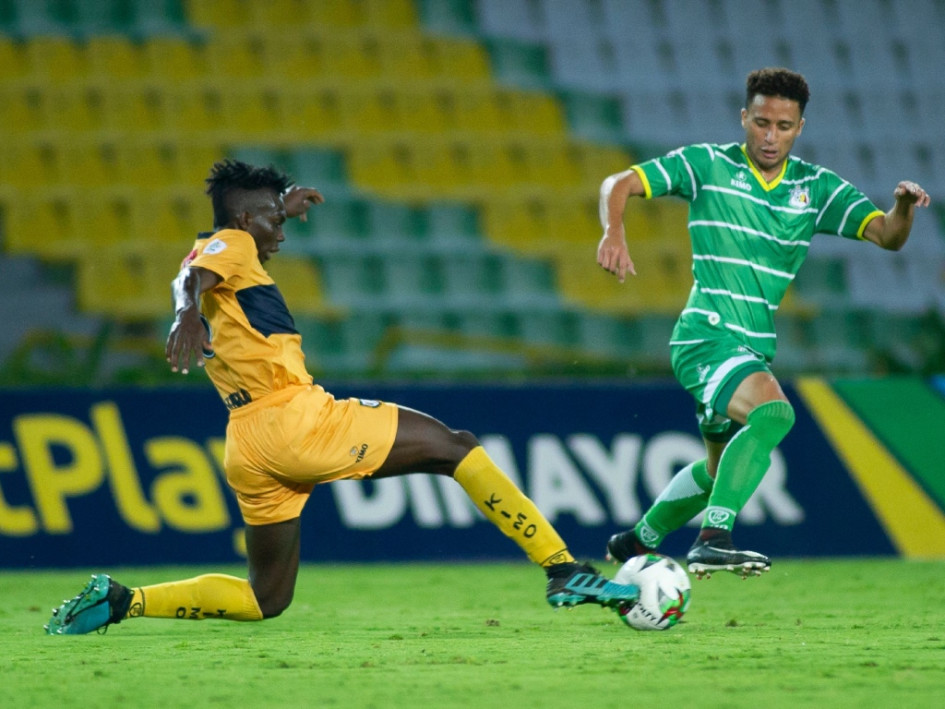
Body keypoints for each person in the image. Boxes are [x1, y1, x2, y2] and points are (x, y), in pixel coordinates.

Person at [45, 159, 639, 635]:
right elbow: (192, 280)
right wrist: (184, 313)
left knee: (264, 598)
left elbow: (199, 269)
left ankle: (124, 601)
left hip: (247, 444)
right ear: (248, 219)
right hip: (296, 420)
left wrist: (280, 208)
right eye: (273, 221)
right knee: (455, 448)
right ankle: (564, 569)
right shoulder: (232, 243)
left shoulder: (222, 245)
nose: (279, 233)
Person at [597, 68, 930, 579]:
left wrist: (903, 206)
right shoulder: (706, 164)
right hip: (705, 336)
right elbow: (618, 183)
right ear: (744, 118)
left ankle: (633, 543)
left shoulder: (814, 188)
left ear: (800, 128)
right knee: (774, 414)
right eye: (761, 122)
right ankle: (713, 538)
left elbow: (887, 236)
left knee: (716, 470)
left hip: (750, 348)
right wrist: (614, 232)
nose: (770, 136)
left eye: (783, 126)